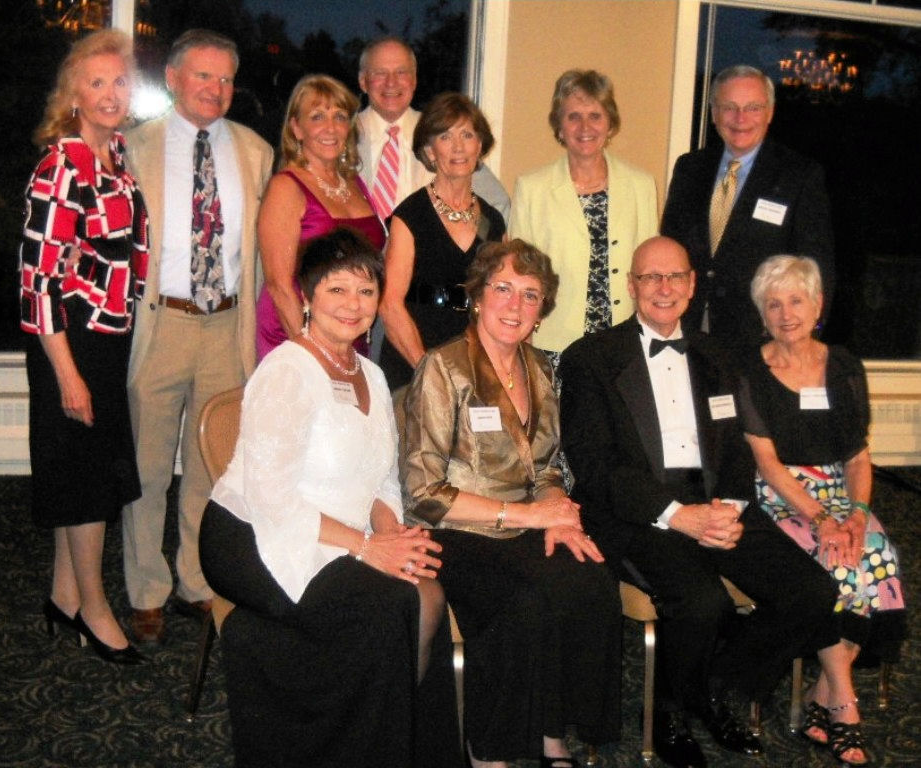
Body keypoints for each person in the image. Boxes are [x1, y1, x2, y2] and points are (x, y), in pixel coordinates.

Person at [559, 237, 839, 768]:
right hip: (639, 511)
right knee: (702, 601)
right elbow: (597, 467)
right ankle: (670, 712)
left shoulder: (719, 355)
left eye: (675, 277)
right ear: (632, 286)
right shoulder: (590, 358)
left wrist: (728, 508)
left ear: (691, 285)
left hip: (716, 503)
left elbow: (736, 448)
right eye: (651, 277)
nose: (664, 288)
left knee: (811, 592)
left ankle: (709, 690)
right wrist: (677, 516)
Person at [199, 228, 445, 767]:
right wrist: (368, 548)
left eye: (366, 291)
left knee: (426, 592)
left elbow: (382, 479)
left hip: (341, 533)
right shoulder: (286, 371)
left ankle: (397, 743)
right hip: (254, 536)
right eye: (337, 289)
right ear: (307, 297)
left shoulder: (372, 375)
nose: (353, 304)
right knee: (387, 608)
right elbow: (273, 499)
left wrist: (391, 536)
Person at [402, 239, 621, 768]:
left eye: (530, 295)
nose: (515, 304)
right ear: (477, 296)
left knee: (591, 581)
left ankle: (552, 731)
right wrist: (530, 515)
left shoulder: (540, 368)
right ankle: (488, 750)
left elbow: (546, 466)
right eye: (502, 288)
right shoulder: (443, 368)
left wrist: (559, 515)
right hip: (456, 531)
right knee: (524, 602)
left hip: (525, 523)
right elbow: (424, 494)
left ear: (541, 311)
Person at [122, 29, 274, 645]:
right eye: (203, 75)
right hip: (162, 322)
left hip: (226, 326)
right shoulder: (136, 146)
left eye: (226, 78)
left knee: (213, 464)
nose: (216, 88)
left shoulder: (256, 151)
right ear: (174, 79)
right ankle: (145, 589)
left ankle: (195, 578)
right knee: (148, 466)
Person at [738, 255, 906, 767]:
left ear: (817, 306)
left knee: (877, 556)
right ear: (761, 314)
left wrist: (857, 513)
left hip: (840, 491)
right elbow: (767, 464)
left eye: (796, 301)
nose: (786, 314)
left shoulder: (845, 365)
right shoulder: (751, 369)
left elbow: (857, 456)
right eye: (773, 304)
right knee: (836, 565)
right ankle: (845, 703)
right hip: (782, 496)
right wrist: (822, 520)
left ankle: (822, 693)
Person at [21, 29, 147, 664]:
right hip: (68, 341)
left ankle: (63, 597)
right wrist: (68, 376)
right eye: (96, 83)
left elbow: (112, 250)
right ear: (72, 94)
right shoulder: (60, 167)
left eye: (119, 81)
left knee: (81, 475)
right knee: (89, 483)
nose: (110, 93)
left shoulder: (116, 157)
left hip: (106, 337)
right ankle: (96, 611)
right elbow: (36, 283)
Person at [661, 65, 834, 356]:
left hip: (762, 340)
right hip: (687, 333)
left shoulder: (799, 175)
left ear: (770, 112)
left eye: (753, 107)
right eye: (729, 107)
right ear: (714, 113)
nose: (740, 119)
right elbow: (669, 249)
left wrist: (807, 338)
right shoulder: (689, 168)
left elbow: (817, 268)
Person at [510, 69, 658, 364]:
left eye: (595, 116)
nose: (585, 127)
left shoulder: (640, 185)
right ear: (559, 126)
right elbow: (521, 275)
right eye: (573, 116)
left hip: (623, 341)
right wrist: (521, 340)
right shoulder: (532, 188)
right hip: (554, 342)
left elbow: (650, 270)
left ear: (610, 124)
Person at [378, 92, 506, 390]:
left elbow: (498, 299)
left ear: (480, 146)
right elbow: (390, 305)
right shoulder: (410, 216)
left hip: (472, 361)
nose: (458, 147)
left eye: (467, 135)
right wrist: (428, 370)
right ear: (430, 151)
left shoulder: (493, 221)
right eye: (446, 137)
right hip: (414, 360)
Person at [256, 74, 385, 361]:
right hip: (296, 333)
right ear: (296, 128)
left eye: (339, 117)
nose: (331, 127)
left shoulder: (355, 183)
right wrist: (317, 355)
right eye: (317, 117)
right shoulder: (286, 187)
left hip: (349, 326)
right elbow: (279, 286)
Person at [355, 36, 510, 225]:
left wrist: (463, 236)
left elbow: (496, 205)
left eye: (401, 72)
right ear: (363, 81)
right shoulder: (341, 138)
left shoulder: (440, 133)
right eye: (380, 73)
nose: (391, 82)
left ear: (414, 80)